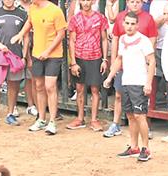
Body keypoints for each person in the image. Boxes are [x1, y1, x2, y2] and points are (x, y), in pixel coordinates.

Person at [103, 10, 155, 162]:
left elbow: (151, 61)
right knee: (131, 116)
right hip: (126, 81)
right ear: (123, 24)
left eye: (133, 24)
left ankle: (146, 148)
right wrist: (110, 77)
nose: (130, 26)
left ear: (137, 25)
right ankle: (134, 147)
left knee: (139, 115)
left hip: (139, 83)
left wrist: (148, 83)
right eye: (127, 23)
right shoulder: (123, 39)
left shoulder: (144, 40)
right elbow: (119, 59)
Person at [13, 0, 67, 135]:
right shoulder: (32, 8)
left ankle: (53, 121)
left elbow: (61, 34)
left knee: (50, 86)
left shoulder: (55, 10)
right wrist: (20, 34)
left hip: (53, 55)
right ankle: (41, 118)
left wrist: (48, 51)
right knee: (39, 86)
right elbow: (29, 22)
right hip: (37, 53)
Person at [0, 0, 29, 128]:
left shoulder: (22, 14)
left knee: (13, 85)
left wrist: (24, 56)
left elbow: (26, 37)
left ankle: (10, 114)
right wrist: (0, 45)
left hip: (15, 56)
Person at [67, 0, 109, 131]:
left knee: (95, 90)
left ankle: (94, 120)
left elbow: (104, 39)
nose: (85, 3)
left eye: (88, 0)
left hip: (95, 57)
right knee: (79, 89)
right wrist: (73, 62)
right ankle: (80, 118)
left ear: (93, 1)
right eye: (83, 0)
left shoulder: (100, 18)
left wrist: (104, 59)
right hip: (79, 58)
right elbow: (72, 41)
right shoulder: (75, 19)